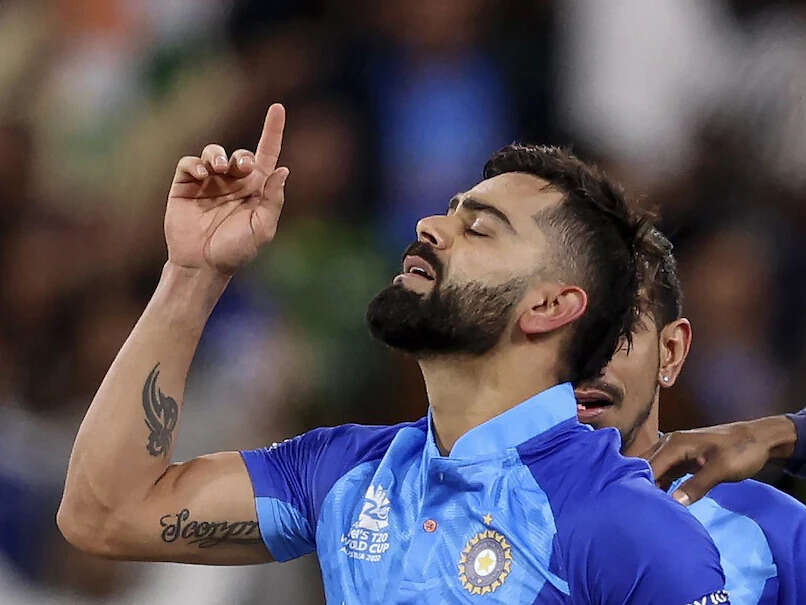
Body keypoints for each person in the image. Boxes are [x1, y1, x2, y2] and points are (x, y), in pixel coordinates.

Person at [57, 105, 732, 604]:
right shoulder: (343, 473)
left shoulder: (629, 529)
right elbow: (103, 514)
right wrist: (193, 272)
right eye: (449, 211)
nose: (430, 226)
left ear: (550, 307)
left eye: (479, 228)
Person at [575, 227, 806, 604]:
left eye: (617, 331)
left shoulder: (774, 535)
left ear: (670, 352)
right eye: (557, 333)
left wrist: (791, 433)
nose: (586, 359)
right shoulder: (473, 510)